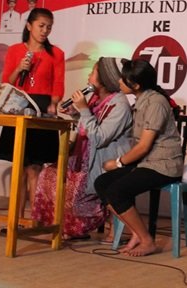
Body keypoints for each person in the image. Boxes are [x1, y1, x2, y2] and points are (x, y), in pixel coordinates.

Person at [32, 57, 133, 240]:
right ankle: (63, 226)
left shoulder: (120, 105)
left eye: (93, 72)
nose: (88, 75)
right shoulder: (95, 98)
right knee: (49, 174)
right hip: (86, 156)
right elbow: (89, 127)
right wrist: (76, 113)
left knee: (75, 190)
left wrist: (84, 109)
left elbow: (100, 137)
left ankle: (77, 227)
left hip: (105, 160)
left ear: (104, 78)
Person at [94, 59, 182, 257]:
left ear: (136, 85)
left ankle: (147, 240)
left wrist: (118, 163)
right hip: (146, 163)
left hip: (163, 165)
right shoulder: (140, 101)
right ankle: (136, 232)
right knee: (102, 183)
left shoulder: (156, 102)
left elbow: (144, 146)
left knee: (117, 190)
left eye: (124, 79)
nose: (119, 82)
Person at [0, 7, 65, 219]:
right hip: (18, 105)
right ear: (29, 26)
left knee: (34, 168)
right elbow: (6, 81)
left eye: (49, 27)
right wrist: (19, 67)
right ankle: (14, 220)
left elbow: (58, 84)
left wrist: (53, 104)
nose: (45, 31)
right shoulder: (15, 50)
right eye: (41, 26)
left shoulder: (56, 54)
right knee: (19, 167)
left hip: (41, 107)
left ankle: (35, 220)